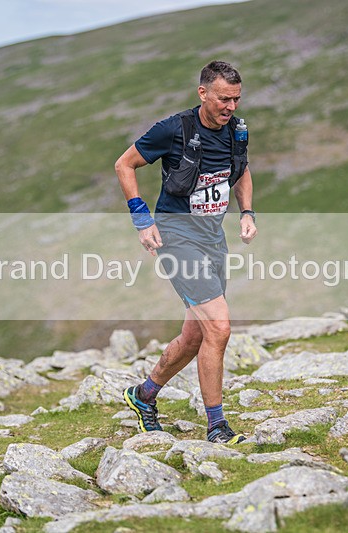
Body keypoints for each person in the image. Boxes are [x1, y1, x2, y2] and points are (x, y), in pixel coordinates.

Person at [115, 60, 257, 444]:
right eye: (224, 99)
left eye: (236, 99)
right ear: (203, 93)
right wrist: (141, 218)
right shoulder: (174, 129)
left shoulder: (237, 132)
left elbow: (240, 171)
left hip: (213, 239)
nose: (230, 107)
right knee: (220, 327)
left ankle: (143, 395)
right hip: (177, 238)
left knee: (196, 335)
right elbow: (124, 164)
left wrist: (246, 212)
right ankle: (217, 427)